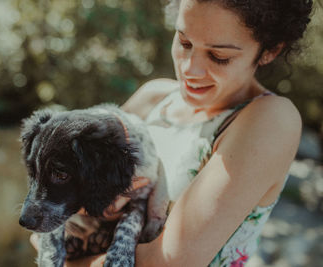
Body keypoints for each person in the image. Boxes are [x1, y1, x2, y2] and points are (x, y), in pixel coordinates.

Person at [31, 0, 313, 266]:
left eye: (219, 56)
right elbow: (48, 215)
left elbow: (168, 262)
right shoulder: (152, 99)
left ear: (271, 49)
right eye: (184, 41)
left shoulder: (270, 119)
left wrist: (60, 258)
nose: (190, 68)